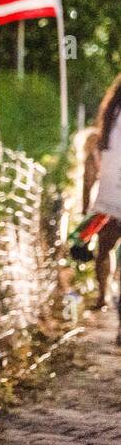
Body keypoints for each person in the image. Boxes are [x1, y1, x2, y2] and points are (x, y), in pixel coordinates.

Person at [87, 73, 121, 323]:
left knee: (104, 249)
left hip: (110, 195)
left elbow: (97, 159)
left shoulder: (110, 118)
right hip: (110, 195)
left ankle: (103, 295)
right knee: (105, 250)